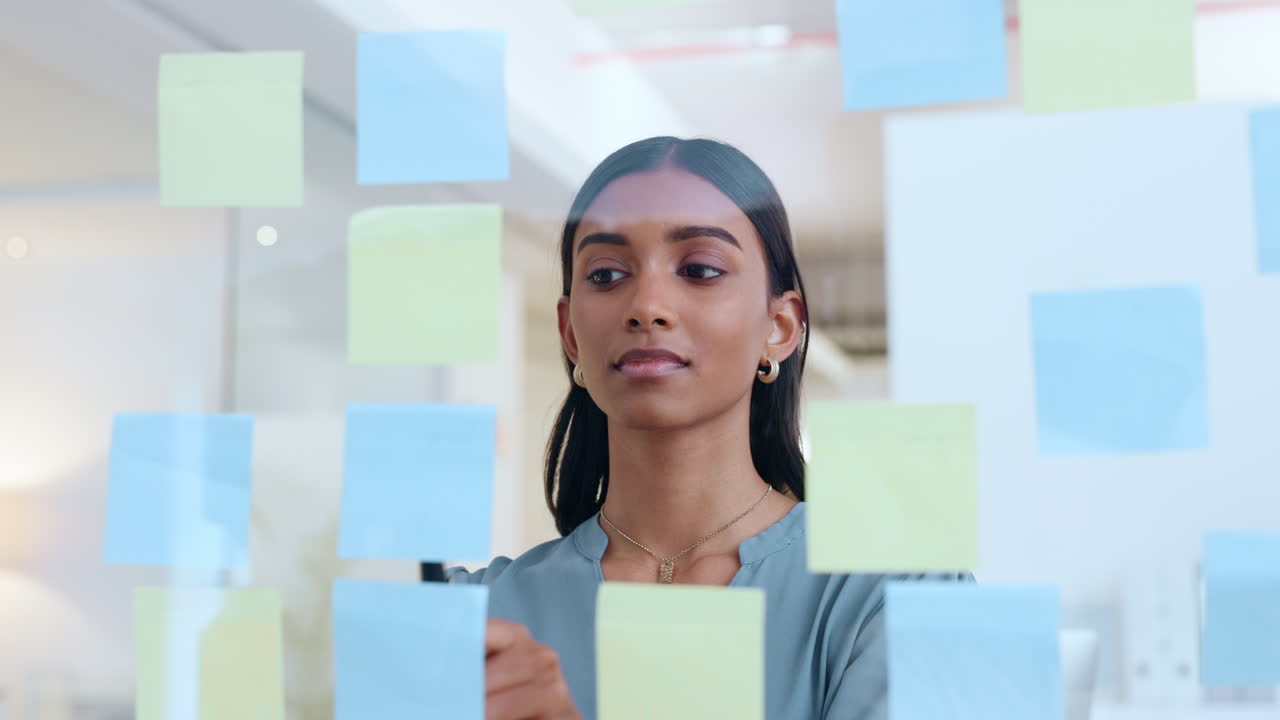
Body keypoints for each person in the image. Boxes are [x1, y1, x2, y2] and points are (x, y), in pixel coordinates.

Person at [445, 136, 975, 720]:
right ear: (571, 334)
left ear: (780, 326)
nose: (646, 305)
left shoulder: (897, 593)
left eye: (699, 269)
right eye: (606, 274)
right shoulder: (474, 617)